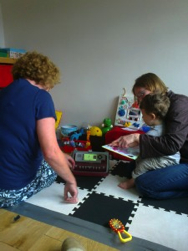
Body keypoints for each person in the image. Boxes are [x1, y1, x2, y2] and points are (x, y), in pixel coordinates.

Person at [0, 51, 78, 208]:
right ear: (46, 78)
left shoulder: (3, 92)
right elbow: (50, 153)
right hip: (8, 192)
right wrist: (71, 181)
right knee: (52, 167)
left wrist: (61, 154)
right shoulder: (41, 97)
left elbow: (18, 133)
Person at [110, 73, 188, 199]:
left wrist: (137, 138)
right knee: (129, 169)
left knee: (143, 184)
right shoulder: (159, 106)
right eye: (137, 97)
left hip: (183, 160)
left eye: (141, 94)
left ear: (155, 87)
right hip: (169, 156)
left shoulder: (179, 104)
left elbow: (172, 144)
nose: (140, 100)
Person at [118, 93, 180, 190]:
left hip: (168, 160)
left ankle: (132, 182)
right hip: (162, 154)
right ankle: (138, 173)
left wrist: (125, 149)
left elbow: (139, 148)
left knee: (144, 163)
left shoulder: (154, 133)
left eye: (143, 115)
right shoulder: (163, 124)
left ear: (152, 116)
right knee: (138, 160)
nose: (142, 118)